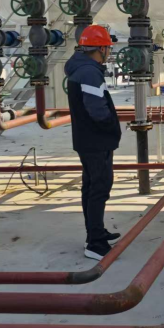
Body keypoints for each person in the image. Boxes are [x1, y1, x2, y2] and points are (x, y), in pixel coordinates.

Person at [64, 25, 122, 260]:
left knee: (91, 187)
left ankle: (95, 231)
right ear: (100, 49)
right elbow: (97, 109)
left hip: (87, 139)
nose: (109, 52)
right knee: (99, 188)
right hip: (96, 140)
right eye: (108, 48)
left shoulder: (82, 68)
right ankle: (95, 244)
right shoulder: (89, 72)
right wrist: (111, 128)